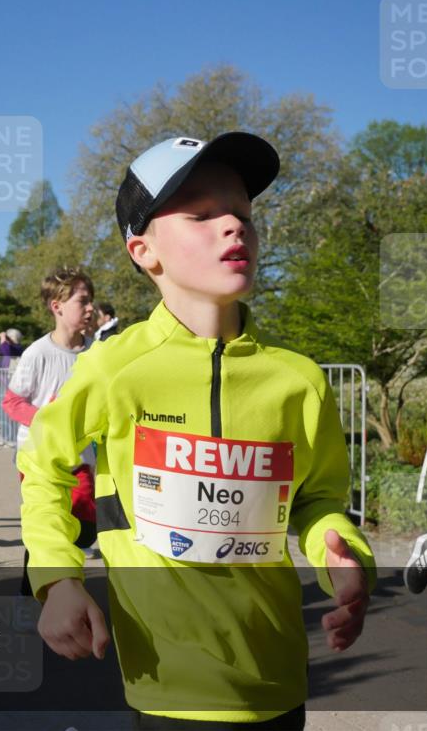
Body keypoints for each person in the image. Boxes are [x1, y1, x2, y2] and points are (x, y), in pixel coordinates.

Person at [20, 133, 375, 728]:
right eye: (203, 214)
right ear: (143, 250)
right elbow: (43, 467)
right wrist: (56, 579)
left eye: (242, 212)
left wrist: (341, 555)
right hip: (166, 686)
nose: (233, 226)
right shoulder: (112, 368)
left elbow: (318, 500)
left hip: (277, 685)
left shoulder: (299, 381)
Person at [3, 266, 97, 595]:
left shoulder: (96, 353)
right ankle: (32, 598)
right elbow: (12, 402)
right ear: (57, 306)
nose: (91, 309)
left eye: (92, 301)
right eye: (82, 301)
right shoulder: (37, 354)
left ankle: (57, 579)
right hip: (38, 457)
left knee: (85, 530)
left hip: (80, 456)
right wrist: (47, 418)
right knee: (47, 528)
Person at [0, 329, 25, 445]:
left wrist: (3, 337)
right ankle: (4, 436)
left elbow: (5, 349)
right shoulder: (9, 352)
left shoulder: (17, 348)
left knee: (10, 412)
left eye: (8, 338)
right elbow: (1, 365)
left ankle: (11, 438)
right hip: (3, 384)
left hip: (12, 385)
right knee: (1, 412)